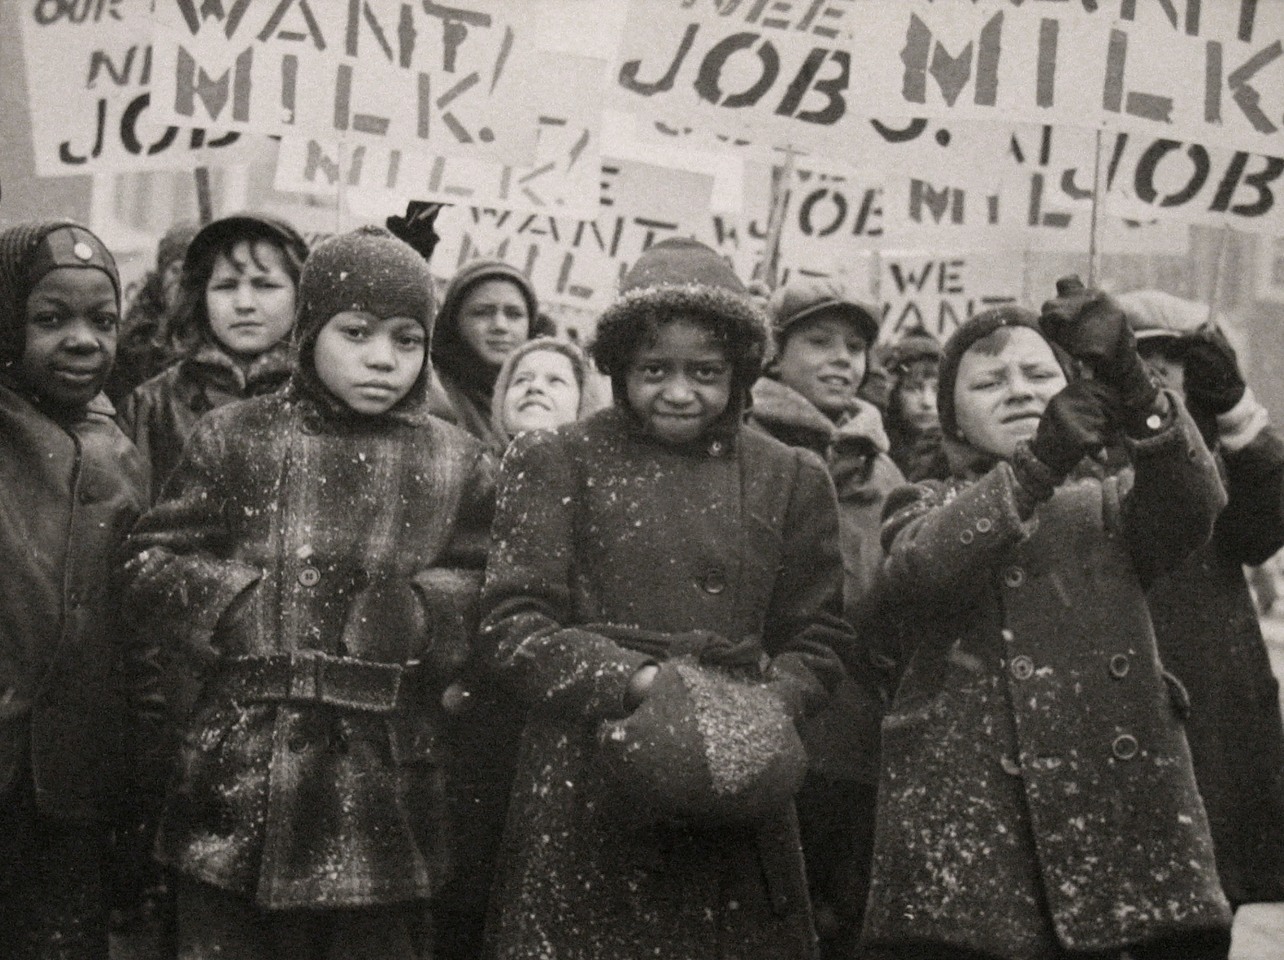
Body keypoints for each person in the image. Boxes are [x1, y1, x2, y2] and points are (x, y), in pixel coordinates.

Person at [122, 226, 494, 960]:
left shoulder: (458, 461)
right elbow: (148, 562)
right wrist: (234, 602)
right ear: (309, 330)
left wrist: (426, 612)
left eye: (407, 339)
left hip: (383, 784)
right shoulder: (235, 437)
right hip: (243, 779)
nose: (382, 358)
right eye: (355, 332)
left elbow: (498, 587)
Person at [478, 238, 853, 960]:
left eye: (705, 372)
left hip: (735, 774)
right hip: (588, 774)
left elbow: (820, 634)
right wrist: (641, 685)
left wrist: (773, 705)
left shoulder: (792, 475)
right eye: (655, 370)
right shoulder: (558, 458)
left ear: (741, 372)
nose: (679, 393)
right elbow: (511, 624)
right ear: (618, 369)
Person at [861, 292, 1232, 960]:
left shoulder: (1112, 504)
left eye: (1038, 376)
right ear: (954, 419)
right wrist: (1038, 464)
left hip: (1115, 821)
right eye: (988, 381)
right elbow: (924, 568)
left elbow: (1195, 503)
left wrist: (1133, 382)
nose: (1017, 392)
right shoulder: (920, 502)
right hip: (975, 841)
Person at [0, 221, 156, 959]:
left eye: (103, 320)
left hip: (74, 786)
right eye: (50, 319)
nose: (84, 340)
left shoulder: (119, 451)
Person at [433, 335, 603, 960]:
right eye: (522, 378)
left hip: (553, 712)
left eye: (557, 381)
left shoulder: (597, 491)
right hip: (472, 718)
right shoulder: (465, 475)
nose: (536, 387)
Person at [1115, 288, 1284, 917]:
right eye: (1140, 355)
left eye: (1176, 357)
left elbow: (1263, 530)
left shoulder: (1226, 451)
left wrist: (1238, 410)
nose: (1157, 372)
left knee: (1205, 912)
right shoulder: (1086, 435)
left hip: (1213, 709)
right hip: (1125, 700)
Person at [748, 279, 902, 960]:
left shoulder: (885, 467)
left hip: (864, 744)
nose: (844, 359)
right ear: (773, 355)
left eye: (856, 345)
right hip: (771, 730)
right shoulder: (742, 445)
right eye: (819, 340)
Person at [119, 213, 308, 496]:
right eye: (226, 286)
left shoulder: (323, 398)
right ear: (201, 296)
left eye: (265, 285)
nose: (244, 304)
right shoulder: (151, 406)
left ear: (300, 292)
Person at [427, 259, 552, 451]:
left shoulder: (543, 395)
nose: (500, 326)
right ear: (454, 321)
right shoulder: (434, 393)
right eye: (482, 313)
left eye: (514, 314)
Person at [105, 221, 199, 403]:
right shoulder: (136, 335)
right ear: (161, 275)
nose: (182, 282)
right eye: (176, 271)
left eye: (191, 273)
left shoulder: (211, 333)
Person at [492, 335, 600, 444]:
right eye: (522, 380)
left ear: (583, 402)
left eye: (555, 380)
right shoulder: (477, 459)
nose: (534, 386)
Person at [881, 326, 946, 481]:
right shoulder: (879, 448)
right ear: (895, 394)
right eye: (913, 388)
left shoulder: (958, 455)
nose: (927, 402)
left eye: (937, 390)